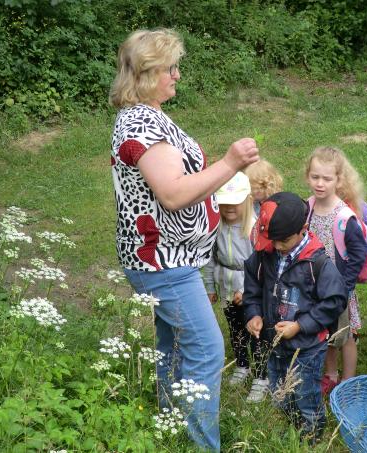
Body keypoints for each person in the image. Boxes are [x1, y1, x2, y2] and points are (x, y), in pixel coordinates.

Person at [108, 28, 259, 452]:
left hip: (165, 258)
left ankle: (169, 425)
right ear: (147, 73)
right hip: (163, 262)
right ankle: (200, 444)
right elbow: (172, 194)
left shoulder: (148, 115)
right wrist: (230, 162)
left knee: (173, 344)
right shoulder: (140, 121)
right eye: (170, 68)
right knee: (208, 349)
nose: (176, 75)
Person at [243, 192, 347, 444]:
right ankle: (289, 430)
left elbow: (334, 301)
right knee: (280, 390)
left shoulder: (318, 263)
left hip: (307, 348)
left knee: (306, 394)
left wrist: (300, 325)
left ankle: (311, 438)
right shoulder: (264, 255)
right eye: (273, 240)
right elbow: (253, 290)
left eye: (283, 241)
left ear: (303, 229)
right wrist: (254, 314)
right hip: (274, 342)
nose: (277, 246)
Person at [303, 146, 367, 395]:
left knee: (345, 335)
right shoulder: (307, 207)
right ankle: (330, 374)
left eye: (327, 178)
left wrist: (344, 286)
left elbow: (358, 254)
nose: (320, 183)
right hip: (314, 285)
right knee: (325, 331)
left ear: (338, 180)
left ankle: (348, 379)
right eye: (315, 177)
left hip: (338, 288)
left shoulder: (344, 216)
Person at [202, 172, 270, 402]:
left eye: (235, 201)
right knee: (235, 328)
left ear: (248, 201)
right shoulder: (215, 228)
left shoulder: (253, 229)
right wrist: (210, 287)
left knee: (256, 332)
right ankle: (243, 364)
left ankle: (262, 375)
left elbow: (259, 266)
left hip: (249, 291)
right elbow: (210, 259)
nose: (229, 206)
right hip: (226, 287)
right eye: (223, 202)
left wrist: (247, 290)